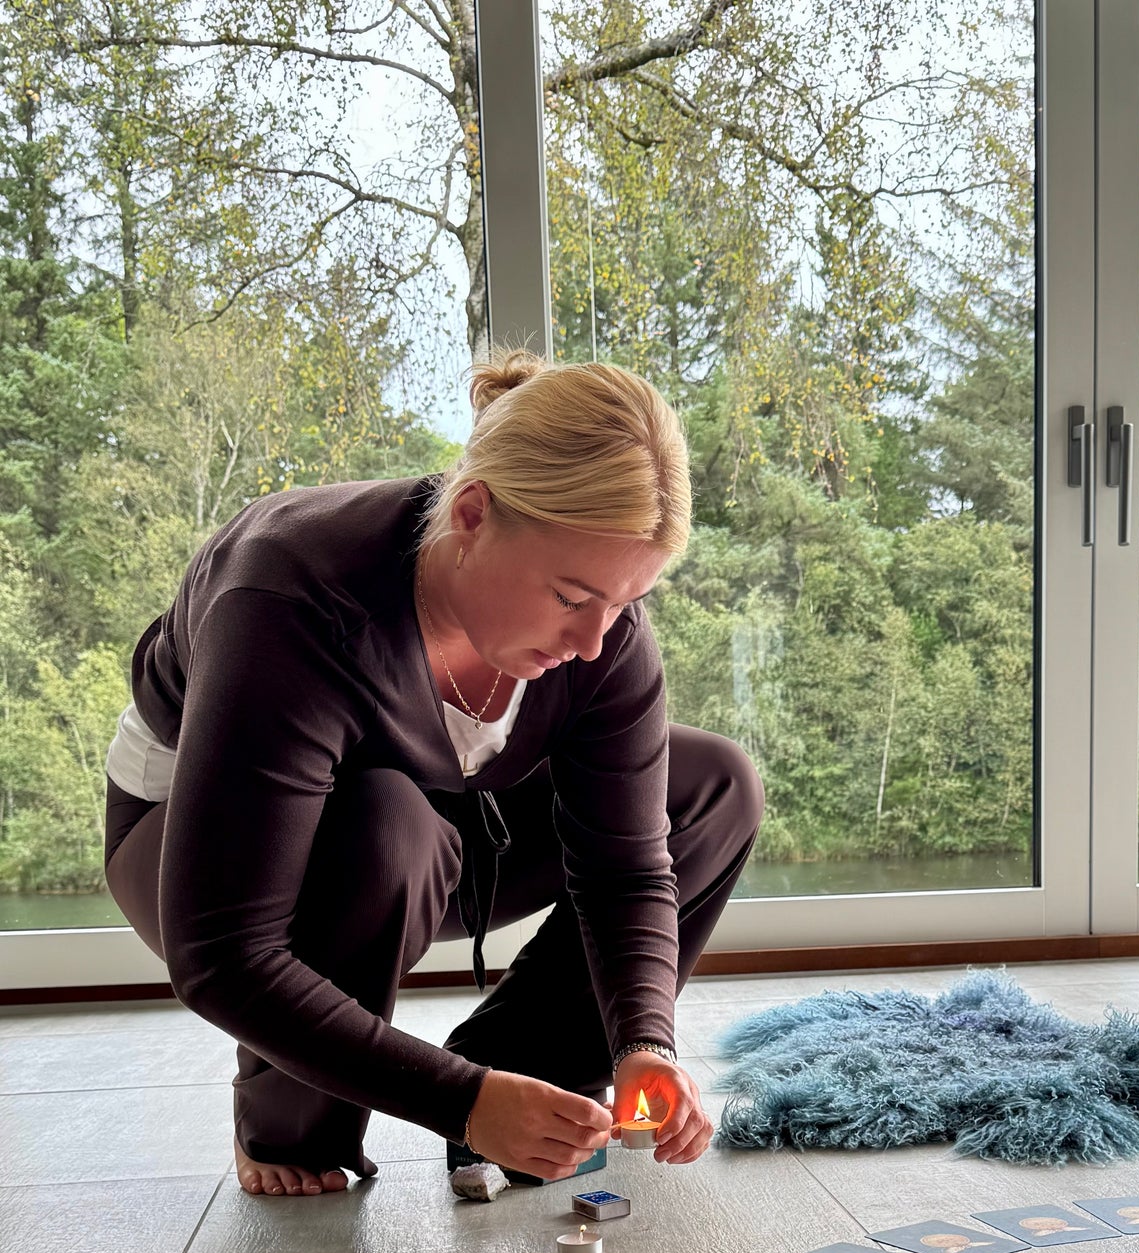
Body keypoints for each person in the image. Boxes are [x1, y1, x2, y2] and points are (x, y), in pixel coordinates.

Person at [102, 349, 763, 1198]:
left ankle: (523, 1076)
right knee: (388, 823)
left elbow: (626, 870)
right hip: (214, 850)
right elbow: (223, 954)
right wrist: (457, 1102)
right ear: (472, 513)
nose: (594, 641)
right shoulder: (292, 596)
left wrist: (644, 1039)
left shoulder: (603, 636)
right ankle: (295, 1121)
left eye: (625, 602)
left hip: (453, 821)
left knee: (712, 783)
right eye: (571, 598)